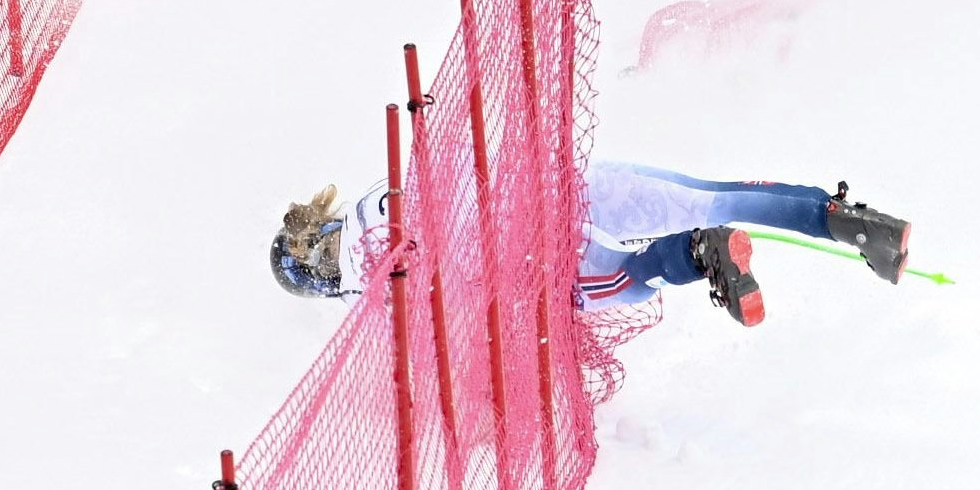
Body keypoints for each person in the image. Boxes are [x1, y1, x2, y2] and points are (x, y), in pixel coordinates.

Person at [269, 161, 912, 326]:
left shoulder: (372, 296)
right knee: (706, 192)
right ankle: (847, 221)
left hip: (537, 263)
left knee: (625, 280)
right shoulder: (376, 196)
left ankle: (696, 254)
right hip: (552, 184)